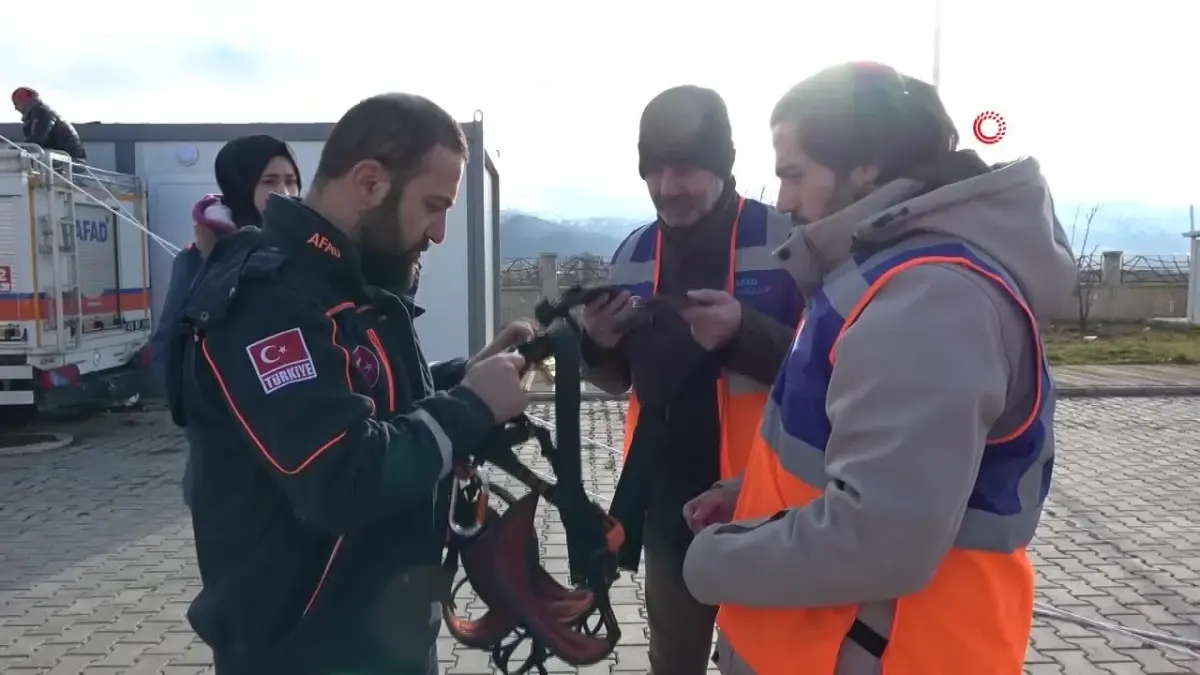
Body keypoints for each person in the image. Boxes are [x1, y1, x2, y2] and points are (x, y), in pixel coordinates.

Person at [681, 62, 1076, 675]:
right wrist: (751, 497)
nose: (781, 199)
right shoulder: (885, 276)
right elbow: (863, 466)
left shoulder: (931, 299)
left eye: (794, 174)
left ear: (865, 166)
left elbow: (879, 537)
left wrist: (714, 563)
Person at [162, 93, 534, 675]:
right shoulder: (267, 300)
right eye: (434, 206)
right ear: (368, 182)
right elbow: (340, 474)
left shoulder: (346, 282)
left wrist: (470, 379)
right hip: (305, 651)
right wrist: (467, 409)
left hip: (380, 637)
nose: (438, 232)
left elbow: (374, 407)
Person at [581, 85, 802, 675]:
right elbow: (617, 381)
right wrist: (597, 347)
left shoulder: (787, 242)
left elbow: (839, 372)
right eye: (653, 170)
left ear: (723, 165)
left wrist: (742, 332)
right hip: (667, 502)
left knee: (765, 657)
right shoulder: (633, 252)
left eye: (683, 168)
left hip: (768, 496)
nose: (666, 186)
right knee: (673, 660)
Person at [148, 135, 303, 508]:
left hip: (300, 468)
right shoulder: (198, 260)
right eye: (269, 182)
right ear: (240, 185)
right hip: (231, 479)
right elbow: (169, 352)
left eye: (291, 180)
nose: (284, 191)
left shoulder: (308, 251)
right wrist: (213, 263)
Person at [10, 87, 86, 161]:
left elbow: (38, 138)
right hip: (70, 157)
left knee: (24, 161)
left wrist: (17, 148)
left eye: (16, 104)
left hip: (71, 159)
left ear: (25, 102)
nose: (15, 108)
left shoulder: (41, 113)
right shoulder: (39, 113)